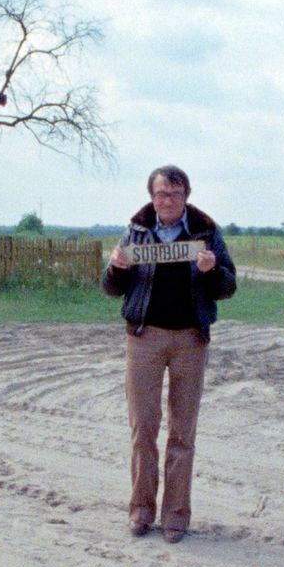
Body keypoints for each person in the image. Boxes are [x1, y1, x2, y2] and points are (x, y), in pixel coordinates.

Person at [101, 164, 237, 544]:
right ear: (152, 197)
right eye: (161, 193)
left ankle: (176, 515)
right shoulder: (136, 232)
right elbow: (111, 288)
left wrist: (212, 271)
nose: (168, 200)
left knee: (182, 431)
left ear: (186, 197)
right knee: (143, 427)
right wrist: (115, 268)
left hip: (191, 340)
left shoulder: (206, 233)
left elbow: (228, 286)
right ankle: (141, 510)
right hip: (144, 338)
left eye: (175, 194)